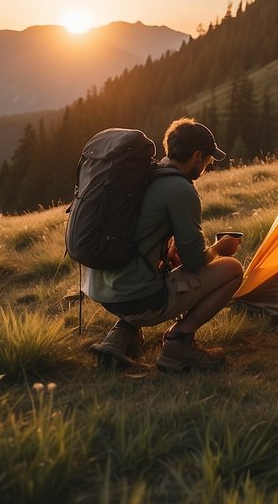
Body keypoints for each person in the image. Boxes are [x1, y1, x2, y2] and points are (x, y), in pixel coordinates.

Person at [84, 118, 244, 372]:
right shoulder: (180, 189)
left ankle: (121, 334)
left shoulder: (143, 175)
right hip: (137, 299)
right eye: (208, 160)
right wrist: (218, 249)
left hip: (101, 290)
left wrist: (166, 252)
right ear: (197, 156)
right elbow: (194, 263)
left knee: (156, 269)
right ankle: (179, 343)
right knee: (232, 269)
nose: (208, 166)